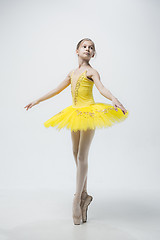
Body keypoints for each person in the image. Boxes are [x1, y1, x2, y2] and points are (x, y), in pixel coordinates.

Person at [24, 38, 129, 225]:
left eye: (91, 48)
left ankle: (76, 199)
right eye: (85, 46)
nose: (88, 49)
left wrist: (114, 99)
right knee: (75, 153)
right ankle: (85, 196)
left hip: (89, 113)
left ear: (93, 54)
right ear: (77, 50)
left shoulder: (92, 71)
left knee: (82, 156)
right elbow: (57, 89)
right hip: (74, 113)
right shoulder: (72, 72)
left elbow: (102, 88)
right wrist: (37, 100)